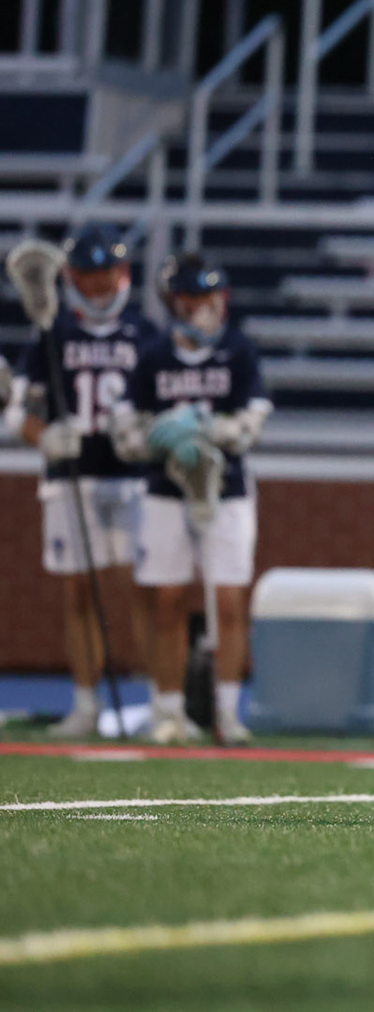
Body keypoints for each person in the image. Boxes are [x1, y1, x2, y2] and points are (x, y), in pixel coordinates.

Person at [111, 253, 271, 745]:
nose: (210, 310)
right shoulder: (156, 357)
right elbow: (125, 430)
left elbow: (253, 419)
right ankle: (169, 710)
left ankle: (228, 710)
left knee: (229, 598)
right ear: (178, 304)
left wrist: (210, 429)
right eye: (199, 301)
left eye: (214, 299)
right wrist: (157, 436)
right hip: (165, 488)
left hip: (226, 488)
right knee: (167, 599)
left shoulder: (238, 352)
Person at [5, 225, 157, 738]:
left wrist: (148, 435)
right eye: (87, 279)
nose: (95, 289)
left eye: (103, 277)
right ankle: (87, 704)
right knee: (77, 593)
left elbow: (167, 407)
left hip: (135, 478)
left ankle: (164, 704)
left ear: (122, 275)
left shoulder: (144, 332)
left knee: (147, 591)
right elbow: (17, 409)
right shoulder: (52, 333)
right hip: (73, 479)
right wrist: (44, 437)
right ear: (71, 279)